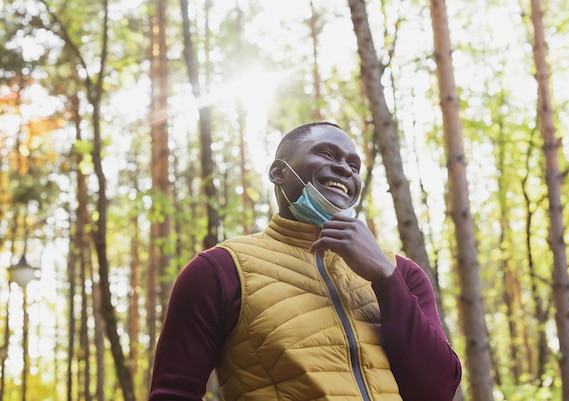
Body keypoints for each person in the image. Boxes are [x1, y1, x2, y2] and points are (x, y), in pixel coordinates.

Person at [148, 121, 462, 401]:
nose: (345, 169)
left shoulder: (402, 273)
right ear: (279, 172)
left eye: (354, 165)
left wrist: (384, 277)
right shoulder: (220, 271)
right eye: (327, 154)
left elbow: (437, 391)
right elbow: (173, 393)